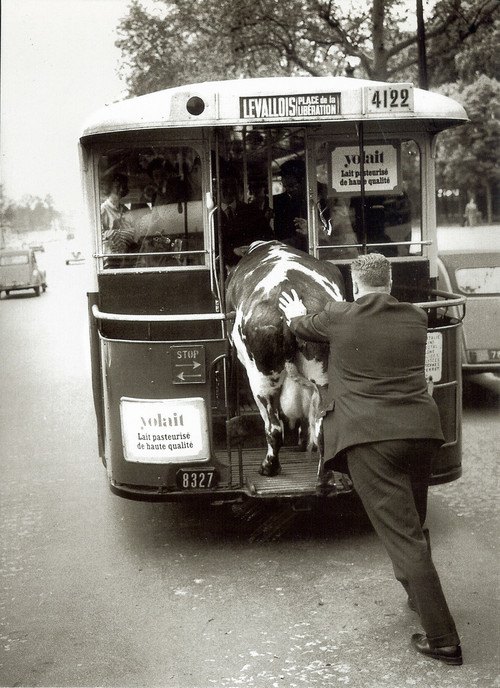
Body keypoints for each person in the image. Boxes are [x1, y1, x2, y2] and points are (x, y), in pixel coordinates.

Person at [278, 253, 462, 666]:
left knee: (404, 537)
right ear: (390, 281)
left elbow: (302, 325)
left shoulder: (340, 315)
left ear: (354, 284)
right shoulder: (415, 317)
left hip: (370, 440)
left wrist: (294, 315)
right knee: (413, 522)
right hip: (421, 434)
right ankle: (419, 596)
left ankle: (444, 639)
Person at [217, 176, 273, 267]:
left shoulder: (252, 211)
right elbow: (212, 247)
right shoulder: (211, 217)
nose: (228, 191)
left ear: (237, 188)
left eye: (231, 186)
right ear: (216, 189)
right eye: (223, 187)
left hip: (251, 265)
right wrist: (232, 251)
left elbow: (268, 237)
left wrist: (253, 247)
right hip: (222, 269)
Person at [100, 172, 137, 268]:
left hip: (128, 260)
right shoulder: (103, 210)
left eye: (123, 186)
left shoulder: (125, 210)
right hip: (112, 261)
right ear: (109, 188)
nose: (121, 190)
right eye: (117, 186)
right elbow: (99, 237)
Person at [273, 158, 308, 251]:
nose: (288, 190)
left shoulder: (321, 198)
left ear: (304, 180)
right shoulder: (287, 201)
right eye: (285, 187)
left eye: (291, 186)